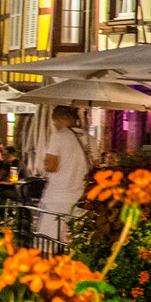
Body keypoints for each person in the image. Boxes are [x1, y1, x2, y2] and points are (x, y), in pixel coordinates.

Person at [34, 105, 94, 245]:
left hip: (58, 198)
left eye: (55, 123)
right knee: (74, 244)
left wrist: (45, 161)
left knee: (48, 243)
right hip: (80, 199)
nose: (55, 126)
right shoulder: (89, 140)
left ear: (63, 119)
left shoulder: (59, 136)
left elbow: (51, 166)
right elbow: (94, 168)